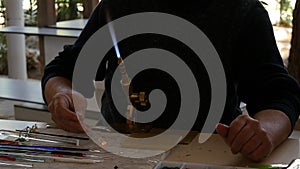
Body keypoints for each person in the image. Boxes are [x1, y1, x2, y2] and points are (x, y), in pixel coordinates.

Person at [42, 0, 300, 162]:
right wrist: (60, 94)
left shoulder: (242, 11)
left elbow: (278, 94)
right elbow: (63, 69)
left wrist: (264, 131)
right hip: (115, 155)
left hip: (207, 156)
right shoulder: (118, 5)